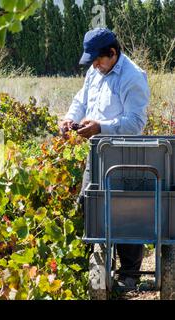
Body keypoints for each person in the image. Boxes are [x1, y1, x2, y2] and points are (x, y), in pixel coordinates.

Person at [60, 28, 150, 289]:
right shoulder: (95, 72)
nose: (95, 65)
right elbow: (81, 99)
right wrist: (69, 118)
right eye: (92, 61)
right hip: (97, 153)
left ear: (113, 53)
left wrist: (102, 127)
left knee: (126, 211)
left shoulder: (133, 77)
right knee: (90, 204)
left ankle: (130, 274)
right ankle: (96, 265)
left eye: (98, 59)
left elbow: (135, 123)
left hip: (125, 155)